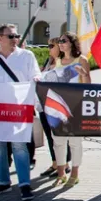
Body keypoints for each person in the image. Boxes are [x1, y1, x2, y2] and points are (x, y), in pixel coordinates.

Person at [0, 23, 40, 201]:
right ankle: (3, 181)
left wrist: (37, 80)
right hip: (0, 109)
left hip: (19, 108)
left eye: (16, 36)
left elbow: (36, 75)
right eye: (11, 36)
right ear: (0, 38)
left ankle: (24, 184)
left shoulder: (26, 56)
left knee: (19, 146)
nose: (15, 39)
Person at [51, 32, 90, 188]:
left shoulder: (81, 60)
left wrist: (84, 74)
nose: (60, 43)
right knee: (58, 142)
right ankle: (61, 174)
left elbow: (88, 86)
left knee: (74, 142)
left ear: (72, 43)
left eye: (63, 41)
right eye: (59, 41)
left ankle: (74, 173)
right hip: (57, 106)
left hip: (75, 106)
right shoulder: (57, 60)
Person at [38, 37, 68, 179]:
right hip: (43, 104)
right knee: (50, 137)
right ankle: (55, 162)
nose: (49, 48)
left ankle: (65, 163)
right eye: (48, 45)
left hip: (56, 105)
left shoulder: (61, 63)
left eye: (52, 45)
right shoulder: (48, 61)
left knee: (59, 136)